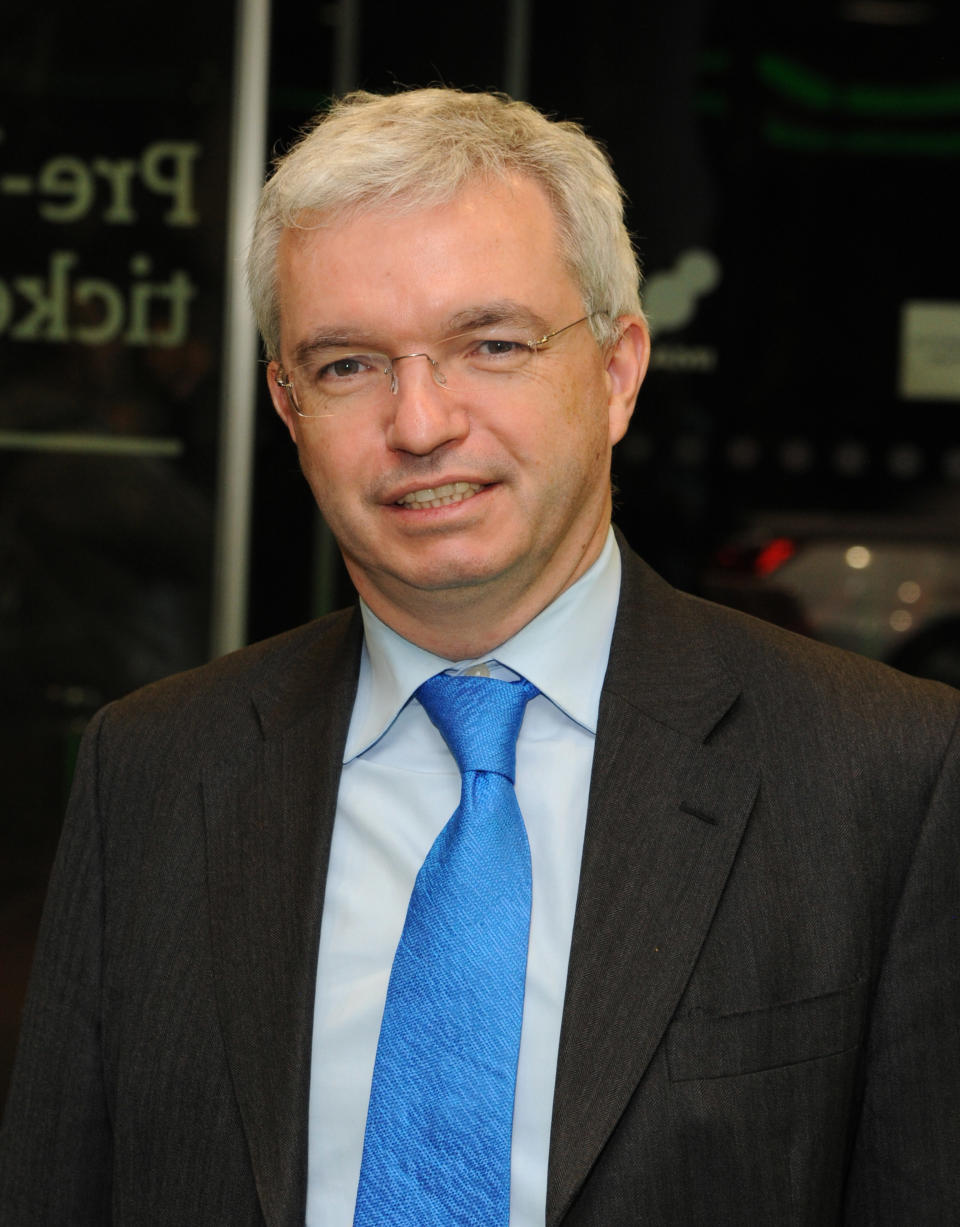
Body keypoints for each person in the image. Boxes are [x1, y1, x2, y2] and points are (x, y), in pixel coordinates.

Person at [1, 86, 959, 1227]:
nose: (420, 423)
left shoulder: (884, 774)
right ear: (287, 406)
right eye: (349, 364)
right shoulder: (153, 770)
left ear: (616, 371)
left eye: (490, 344)